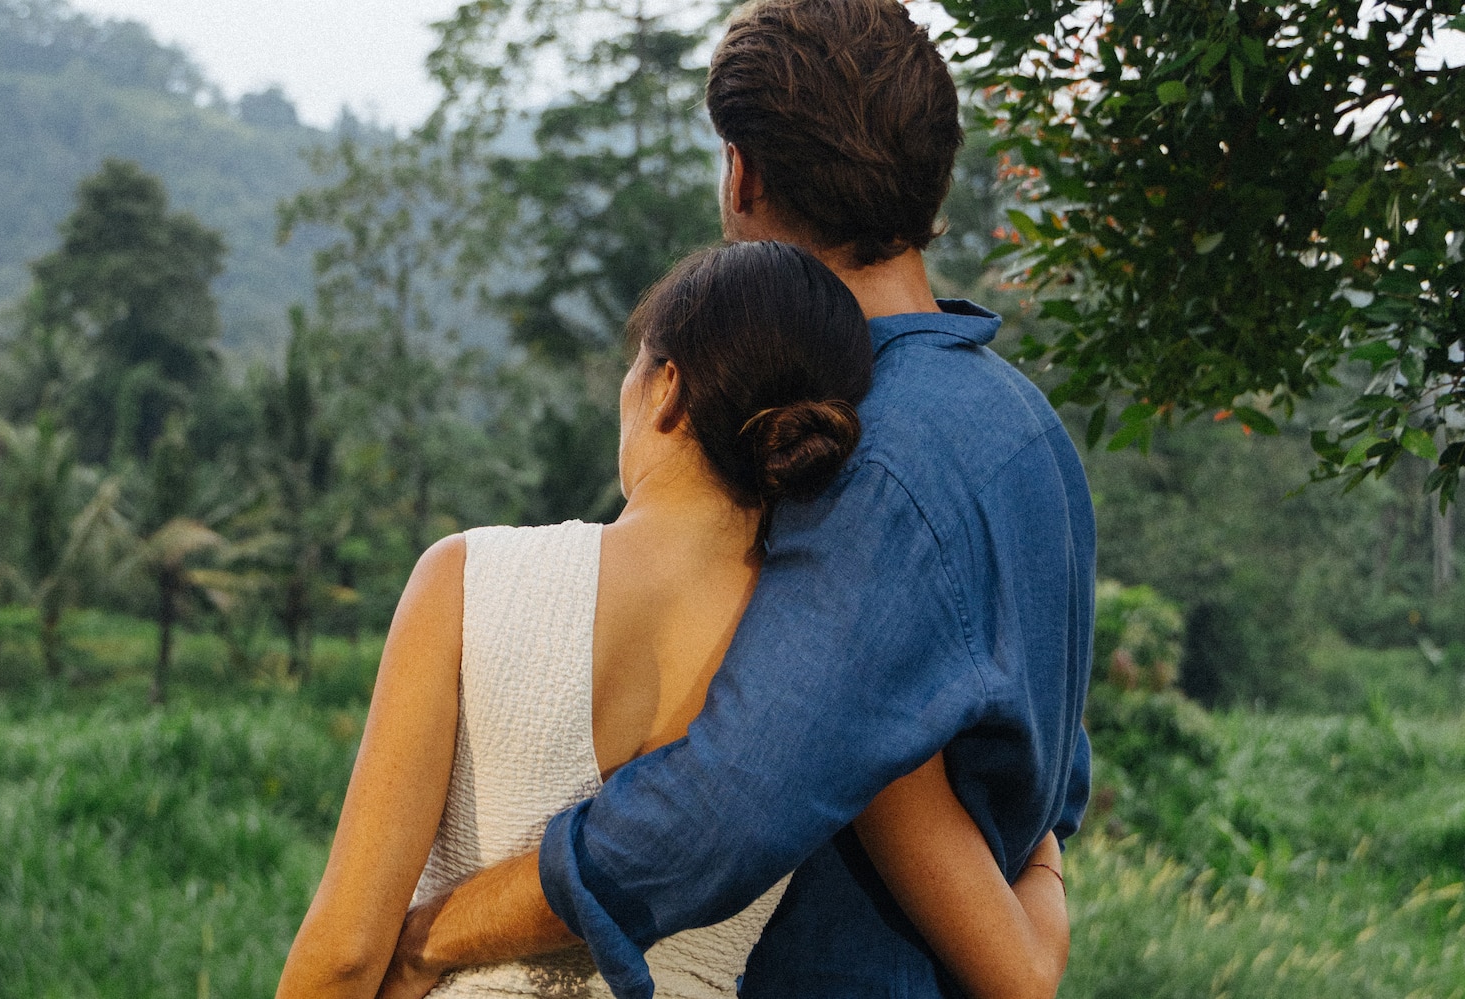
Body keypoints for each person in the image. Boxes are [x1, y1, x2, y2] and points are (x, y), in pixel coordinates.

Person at [363, 1, 1096, 996]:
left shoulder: (862, 450)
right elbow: (1049, 770)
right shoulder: (1027, 429)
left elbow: (723, 806)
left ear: (742, 172)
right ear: (932, 176)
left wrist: (430, 937)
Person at [275, 241, 1068, 999]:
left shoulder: (466, 579)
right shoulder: (834, 675)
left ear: (667, 388)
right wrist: (1042, 847)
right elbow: (1018, 970)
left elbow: (345, 953)